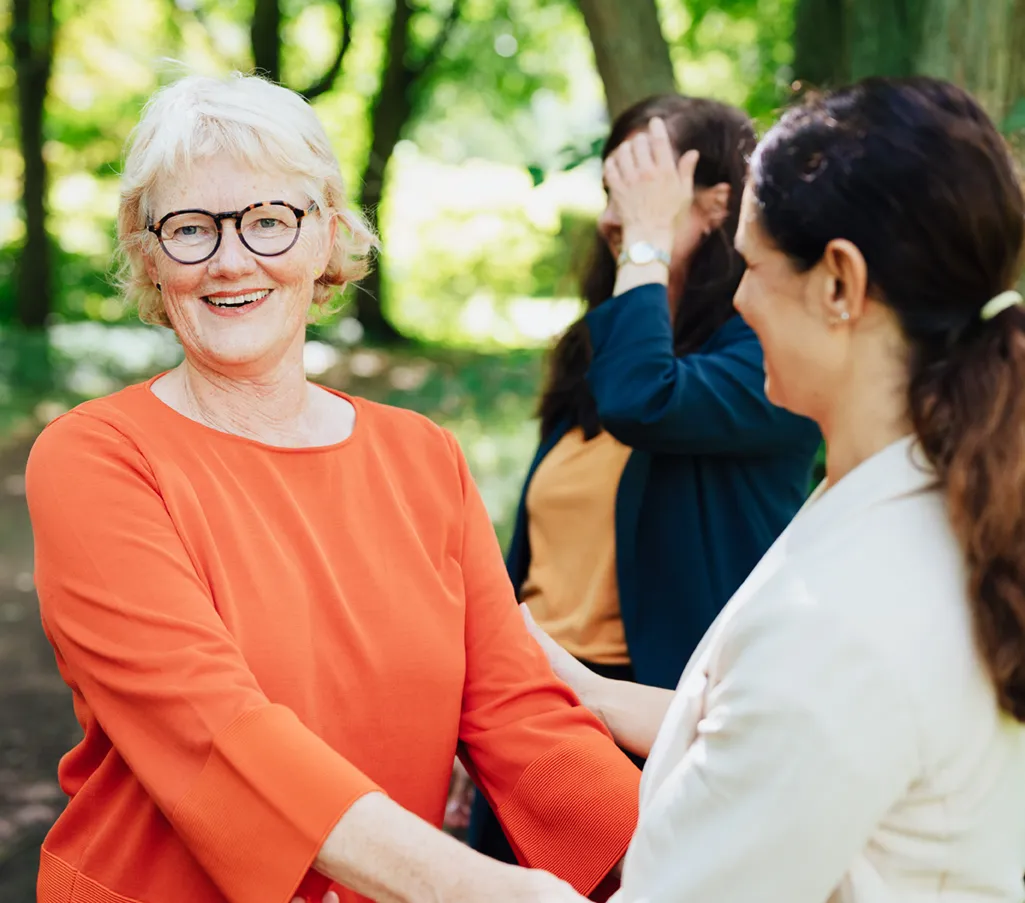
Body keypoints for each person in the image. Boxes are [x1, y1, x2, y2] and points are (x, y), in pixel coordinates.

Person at [25, 73, 642, 903]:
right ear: (147, 254)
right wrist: (480, 890)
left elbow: (517, 709)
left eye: (269, 220)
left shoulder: (422, 455)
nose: (232, 259)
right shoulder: (95, 458)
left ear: (327, 237)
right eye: (190, 228)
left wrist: (679, 858)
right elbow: (215, 731)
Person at [524, 76, 1025, 901]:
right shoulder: (919, 496)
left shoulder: (841, 619)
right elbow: (752, 732)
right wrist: (570, 681)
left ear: (839, 284)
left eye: (750, 266)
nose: (740, 298)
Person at [470, 94, 821, 860]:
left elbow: (643, 398)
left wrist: (646, 242)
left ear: (717, 203)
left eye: (642, 181)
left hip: (649, 723)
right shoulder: (599, 343)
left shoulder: (768, 360)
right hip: (525, 710)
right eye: (611, 185)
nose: (615, 208)